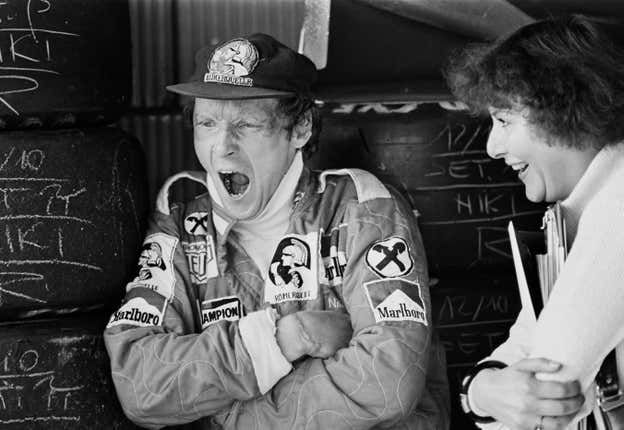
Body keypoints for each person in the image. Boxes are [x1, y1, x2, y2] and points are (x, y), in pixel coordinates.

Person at [104, 33, 450, 429]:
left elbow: (387, 384)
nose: (222, 147)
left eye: (246, 124)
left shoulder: (361, 206)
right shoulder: (182, 222)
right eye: (207, 123)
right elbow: (140, 386)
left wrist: (224, 414)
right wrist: (286, 338)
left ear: (300, 128)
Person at [445, 15, 624, 430]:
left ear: (565, 110)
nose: (492, 147)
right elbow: (526, 343)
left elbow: (544, 396)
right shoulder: (585, 209)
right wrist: (479, 391)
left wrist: (482, 396)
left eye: (504, 121)